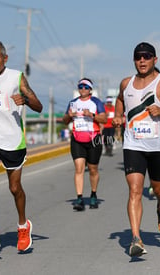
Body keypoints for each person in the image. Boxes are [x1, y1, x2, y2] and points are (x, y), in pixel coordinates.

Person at [112, 42, 160, 257]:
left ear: (155, 59)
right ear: (134, 60)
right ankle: (136, 238)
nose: (142, 60)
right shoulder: (126, 83)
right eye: (138, 57)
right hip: (133, 144)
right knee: (135, 191)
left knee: (159, 190)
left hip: (158, 146)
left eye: (146, 56)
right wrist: (118, 116)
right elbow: (120, 100)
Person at [0, 41, 43, 253]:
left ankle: (23, 225)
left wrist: (25, 100)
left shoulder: (16, 77)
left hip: (12, 139)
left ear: (5, 58)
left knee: (15, 188)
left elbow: (38, 106)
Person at [63, 78, 107, 211]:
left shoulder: (96, 102)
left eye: (86, 87)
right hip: (77, 138)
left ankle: (93, 194)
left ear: (90, 89)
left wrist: (92, 115)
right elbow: (65, 120)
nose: (83, 89)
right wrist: (69, 116)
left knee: (93, 169)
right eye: (80, 87)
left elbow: (104, 119)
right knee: (79, 168)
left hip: (94, 138)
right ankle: (79, 198)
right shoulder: (73, 103)